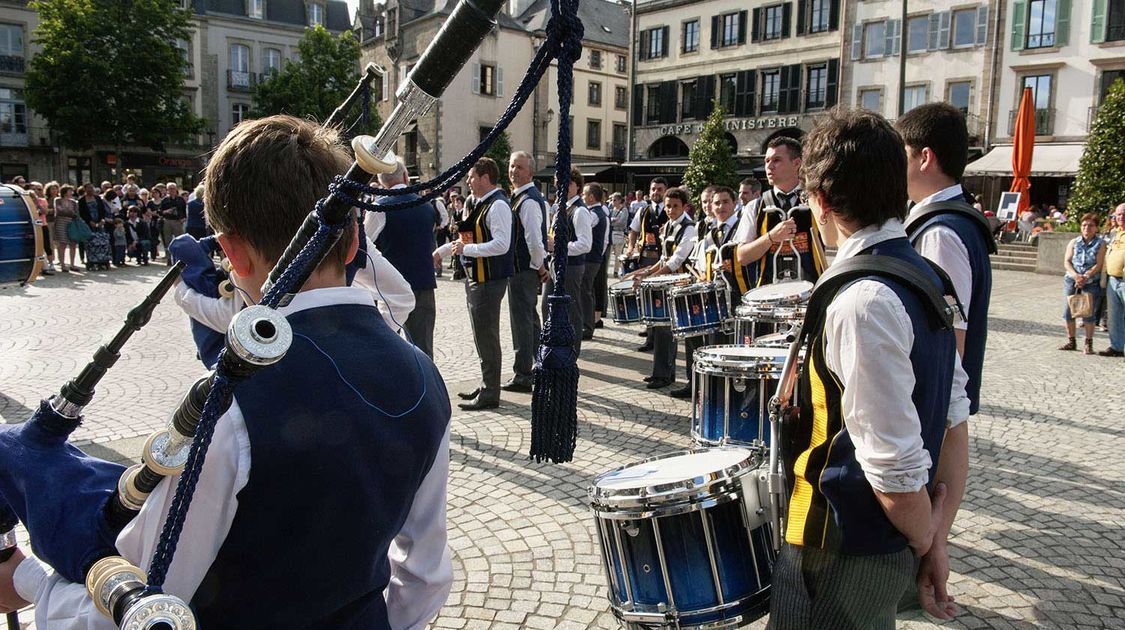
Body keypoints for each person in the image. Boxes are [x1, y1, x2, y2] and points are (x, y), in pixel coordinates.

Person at [3, 114, 453, 629]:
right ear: (353, 243)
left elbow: (147, 608)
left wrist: (29, 583)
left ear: (232, 254)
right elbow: (424, 576)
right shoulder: (424, 373)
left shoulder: (233, 406)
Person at [770, 108, 966, 630]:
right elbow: (953, 421)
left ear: (822, 202)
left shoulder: (863, 301)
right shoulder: (929, 277)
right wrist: (933, 536)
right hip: (881, 539)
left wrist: (926, 542)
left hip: (838, 543)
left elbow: (892, 464)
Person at [897, 102, 993, 618]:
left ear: (925, 157)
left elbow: (947, 333)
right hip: (940, 398)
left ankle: (928, 575)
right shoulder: (949, 220)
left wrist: (931, 404)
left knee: (928, 498)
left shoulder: (939, 230)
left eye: (902, 154)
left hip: (934, 398)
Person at [433, 157, 514, 410]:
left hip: (489, 281)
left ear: (485, 177)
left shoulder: (498, 205)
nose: (467, 181)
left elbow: (502, 244)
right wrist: (441, 252)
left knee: (487, 337)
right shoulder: (481, 203)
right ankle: (486, 384)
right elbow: (462, 239)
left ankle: (491, 393)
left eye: (471, 177)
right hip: (477, 278)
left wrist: (469, 249)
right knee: (481, 336)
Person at [365, 160, 439, 358]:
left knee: (387, 345)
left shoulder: (380, 208)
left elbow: (364, 244)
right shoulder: (426, 205)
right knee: (423, 347)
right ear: (406, 177)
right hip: (423, 284)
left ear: (381, 181)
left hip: (391, 288)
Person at [671, 185, 739, 399]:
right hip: (711, 293)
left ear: (734, 204)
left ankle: (725, 391)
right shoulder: (706, 230)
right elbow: (699, 263)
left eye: (721, 202)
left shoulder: (740, 227)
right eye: (711, 202)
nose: (715, 206)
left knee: (728, 345)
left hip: (734, 295)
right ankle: (699, 385)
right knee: (698, 338)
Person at [626, 187, 696, 389]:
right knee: (659, 328)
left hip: (679, 285)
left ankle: (665, 375)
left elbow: (677, 260)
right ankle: (661, 372)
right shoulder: (669, 226)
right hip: (666, 283)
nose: (671, 210)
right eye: (668, 206)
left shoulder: (688, 228)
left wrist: (652, 277)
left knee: (668, 331)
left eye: (675, 206)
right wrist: (645, 272)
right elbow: (664, 258)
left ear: (684, 207)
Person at [735, 137, 827, 286]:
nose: (769, 166)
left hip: (811, 292)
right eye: (767, 161)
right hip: (769, 296)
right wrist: (771, 237)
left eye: (776, 160)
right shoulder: (755, 206)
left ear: (796, 163)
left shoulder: (816, 201)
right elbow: (742, 257)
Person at [503, 151, 548, 393]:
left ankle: (523, 374)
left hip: (523, 269)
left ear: (530, 172)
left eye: (519, 167)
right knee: (530, 321)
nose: (514, 171)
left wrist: (540, 266)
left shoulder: (528, 201)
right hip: (523, 268)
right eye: (511, 166)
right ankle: (538, 366)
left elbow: (534, 240)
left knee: (522, 322)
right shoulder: (521, 197)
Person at [541, 168, 593, 356]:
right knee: (547, 305)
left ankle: (572, 351)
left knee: (571, 310)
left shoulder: (579, 211)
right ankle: (554, 345)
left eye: (567, 183)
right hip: (556, 262)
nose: (561, 186)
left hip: (571, 266)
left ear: (577, 186)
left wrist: (559, 245)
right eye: (558, 182)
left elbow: (585, 244)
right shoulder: (560, 208)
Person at [627, 178, 668, 352]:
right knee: (647, 298)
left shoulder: (671, 209)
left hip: (663, 261)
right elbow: (634, 230)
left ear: (665, 191)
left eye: (659, 189)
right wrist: (630, 246)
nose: (655, 192)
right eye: (653, 189)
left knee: (662, 299)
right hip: (645, 258)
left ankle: (663, 337)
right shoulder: (643, 210)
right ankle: (650, 336)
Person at [1061, 213, 1106, 354]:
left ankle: (1088, 342)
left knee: (1088, 314)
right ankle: (1071, 341)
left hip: (1090, 281)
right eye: (1084, 225)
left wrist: (1085, 276)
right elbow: (1067, 261)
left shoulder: (1100, 243)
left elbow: (1098, 264)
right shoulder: (1074, 242)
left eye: (1091, 225)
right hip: (1072, 280)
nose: (1087, 228)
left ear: (1096, 228)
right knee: (1068, 312)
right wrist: (1076, 276)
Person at [581, 182, 609, 340]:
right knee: (587, 291)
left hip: (590, 258)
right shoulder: (599, 212)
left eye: (584, 194)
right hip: (595, 257)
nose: (582, 197)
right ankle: (587, 323)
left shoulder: (593, 214)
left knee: (585, 292)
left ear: (591, 197)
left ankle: (587, 325)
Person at [1099, 204, 1125, 357]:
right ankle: (1116, 346)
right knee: (1114, 316)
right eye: (1118, 215)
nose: (1120, 217)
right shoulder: (1115, 233)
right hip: (1112, 280)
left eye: (1123, 214)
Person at [51, 185, 79, 272]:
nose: (71, 193)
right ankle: (62, 264)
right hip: (60, 223)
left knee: (73, 244)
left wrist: (67, 212)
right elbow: (59, 211)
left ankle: (72, 264)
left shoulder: (74, 202)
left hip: (71, 224)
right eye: (69, 191)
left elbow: (75, 213)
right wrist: (69, 212)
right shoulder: (58, 200)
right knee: (62, 243)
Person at [160, 182, 187, 263]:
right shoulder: (164, 200)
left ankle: (181, 259)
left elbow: (184, 210)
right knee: (167, 241)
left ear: (176, 189)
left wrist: (183, 218)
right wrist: (166, 211)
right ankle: (169, 259)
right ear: (167, 190)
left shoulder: (180, 199)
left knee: (180, 240)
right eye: (170, 189)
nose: (172, 190)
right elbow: (160, 211)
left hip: (177, 221)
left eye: (173, 188)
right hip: (167, 221)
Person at [608, 192, 629, 277]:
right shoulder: (612, 210)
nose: (612, 202)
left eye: (615, 200)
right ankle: (607, 271)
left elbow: (621, 223)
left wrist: (612, 221)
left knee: (618, 254)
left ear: (620, 200)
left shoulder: (624, 210)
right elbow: (608, 221)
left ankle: (616, 271)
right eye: (612, 200)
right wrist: (613, 220)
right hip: (611, 234)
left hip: (619, 234)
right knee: (608, 254)